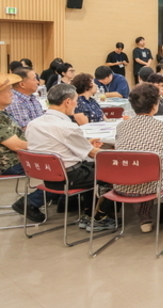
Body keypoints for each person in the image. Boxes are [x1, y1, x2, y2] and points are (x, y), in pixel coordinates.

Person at [26, 84, 117, 231]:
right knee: (113, 171)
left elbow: (56, 147)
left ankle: (88, 213)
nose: (77, 104)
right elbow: (93, 154)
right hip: (69, 177)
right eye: (76, 100)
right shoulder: (67, 127)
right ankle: (100, 217)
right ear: (68, 102)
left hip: (47, 176)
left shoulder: (34, 124)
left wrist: (86, 144)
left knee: (91, 168)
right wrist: (121, 154)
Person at [113, 83, 163, 232]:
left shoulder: (121, 126)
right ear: (155, 105)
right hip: (155, 184)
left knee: (138, 172)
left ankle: (145, 221)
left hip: (123, 184)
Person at [0, 73, 50, 223]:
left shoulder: (4, 114)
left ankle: (60, 198)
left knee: (62, 166)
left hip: (19, 157)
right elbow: (16, 145)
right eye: (7, 91)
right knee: (61, 169)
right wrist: (43, 145)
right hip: (12, 162)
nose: (11, 94)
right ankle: (31, 202)